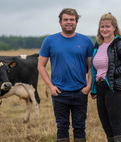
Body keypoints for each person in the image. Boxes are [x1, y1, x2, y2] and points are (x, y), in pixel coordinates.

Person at [38, 8, 94, 142]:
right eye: (66, 20)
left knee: (80, 127)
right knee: (62, 126)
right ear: (60, 22)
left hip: (80, 91)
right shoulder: (49, 41)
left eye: (72, 20)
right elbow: (41, 66)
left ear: (76, 22)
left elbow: (92, 67)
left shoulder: (86, 41)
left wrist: (89, 86)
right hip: (59, 92)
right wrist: (51, 87)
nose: (69, 22)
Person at [90, 13, 121, 142]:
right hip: (101, 88)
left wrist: (113, 73)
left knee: (116, 125)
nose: (104, 29)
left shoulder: (119, 43)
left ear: (114, 27)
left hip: (115, 87)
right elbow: (95, 69)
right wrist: (94, 89)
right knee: (107, 126)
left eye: (107, 26)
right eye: (102, 27)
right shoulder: (98, 44)